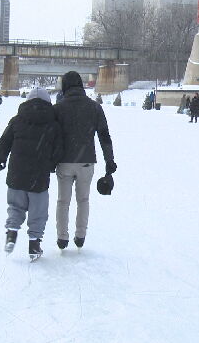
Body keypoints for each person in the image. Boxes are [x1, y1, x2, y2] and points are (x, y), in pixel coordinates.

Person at [0, 87, 63, 261]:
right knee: (38, 211)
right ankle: (34, 245)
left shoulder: (17, 120)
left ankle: (11, 233)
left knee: (15, 206)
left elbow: (4, 141)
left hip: (17, 173)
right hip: (39, 176)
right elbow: (59, 149)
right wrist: (51, 165)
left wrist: (1, 158)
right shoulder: (53, 124)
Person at [53, 71, 116, 250]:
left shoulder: (58, 108)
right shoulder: (94, 107)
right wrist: (109, 160)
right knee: (83, 200)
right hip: (86, 160)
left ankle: (62, 237)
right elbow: (104, 136)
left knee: (63, 201)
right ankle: (80, 236)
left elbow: (51, 136)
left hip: (64, 161)